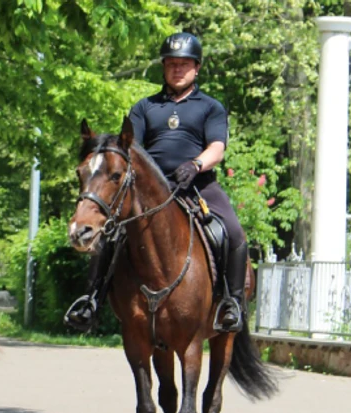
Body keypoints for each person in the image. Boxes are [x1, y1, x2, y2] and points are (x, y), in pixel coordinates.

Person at [65, 32, 248, 333]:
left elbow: (217, 147)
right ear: (163, 67)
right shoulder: (144, 107)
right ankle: (91, 299)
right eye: (172, 63)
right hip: (150, 190)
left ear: (197, 67)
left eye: (184, 64)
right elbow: (130, 149)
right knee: (110, 234)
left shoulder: (210, 107)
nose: (178, 69)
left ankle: (232, 303)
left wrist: (196, 164)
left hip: (198, 184)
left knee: (233, 231)